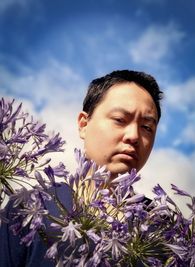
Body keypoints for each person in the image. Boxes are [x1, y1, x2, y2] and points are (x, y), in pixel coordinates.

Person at [0, 70, 163, 266]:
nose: (134, 136)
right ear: (84, 124)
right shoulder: (29, 206)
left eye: (147, 127)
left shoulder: (162, 229)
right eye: (120, 119)